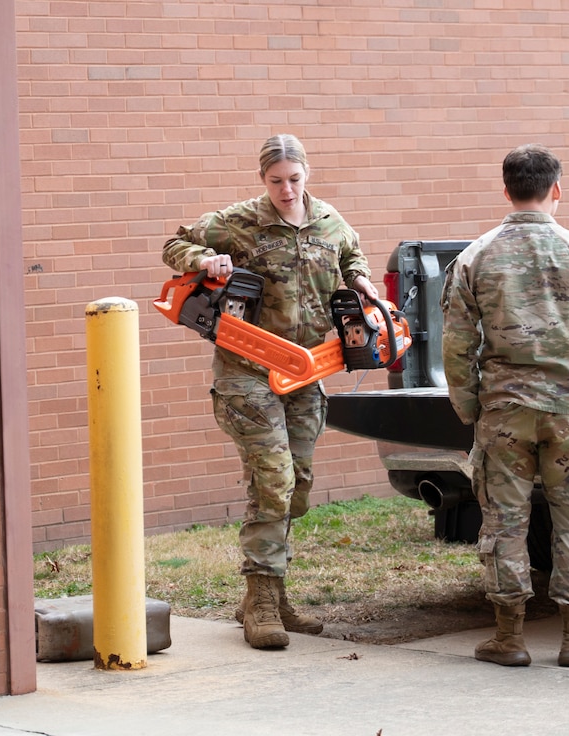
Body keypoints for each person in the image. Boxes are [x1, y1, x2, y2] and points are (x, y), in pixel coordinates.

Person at [161, 134, 379, 650]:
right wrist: (203, 260)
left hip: (305, 370)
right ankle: (259, 599)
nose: (286, 189)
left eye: (294, 179)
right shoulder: (238, 220)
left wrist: (363, 281)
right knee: (274, 479)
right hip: (248, 370)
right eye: (276, 181)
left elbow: (352, 258)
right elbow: (174, 245)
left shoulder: (328, 220)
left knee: (297, 484)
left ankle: (273, 594)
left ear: (307, 173)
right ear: (264, 179)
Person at [440, 143, 569, 667]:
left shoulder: (475, 257)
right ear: (557, 190)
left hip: (502, 412)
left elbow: (456, 346)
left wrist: (469, 407)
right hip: (567, 409)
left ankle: (509, 636)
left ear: (506, 190)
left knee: (504, 522)